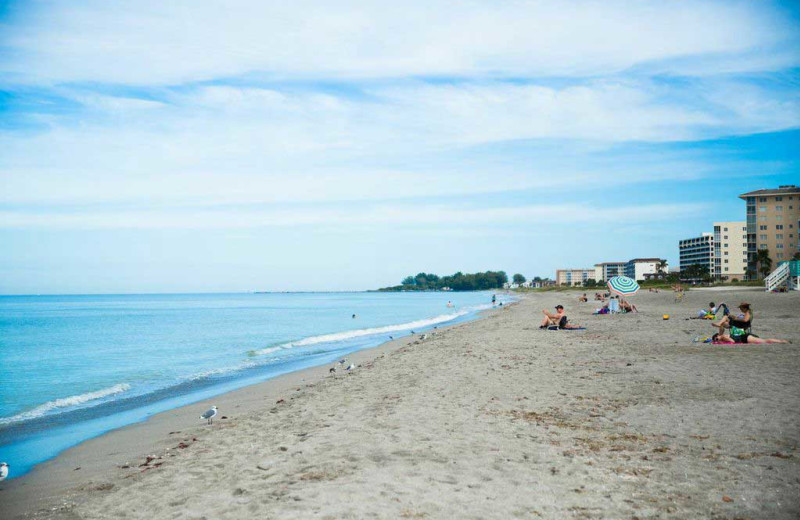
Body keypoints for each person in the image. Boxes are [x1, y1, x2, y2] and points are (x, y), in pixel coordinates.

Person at [712, 332, 789, 345]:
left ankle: (782, 341)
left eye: (716, 338)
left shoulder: (723, 337)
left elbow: (732, 341)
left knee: (765, 341)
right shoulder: (724, 336)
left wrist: (721, 341)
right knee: (764, 340)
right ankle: (782, 341)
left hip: (746, 338)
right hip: (746, 337)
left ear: (718, 335)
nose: (717, 339)